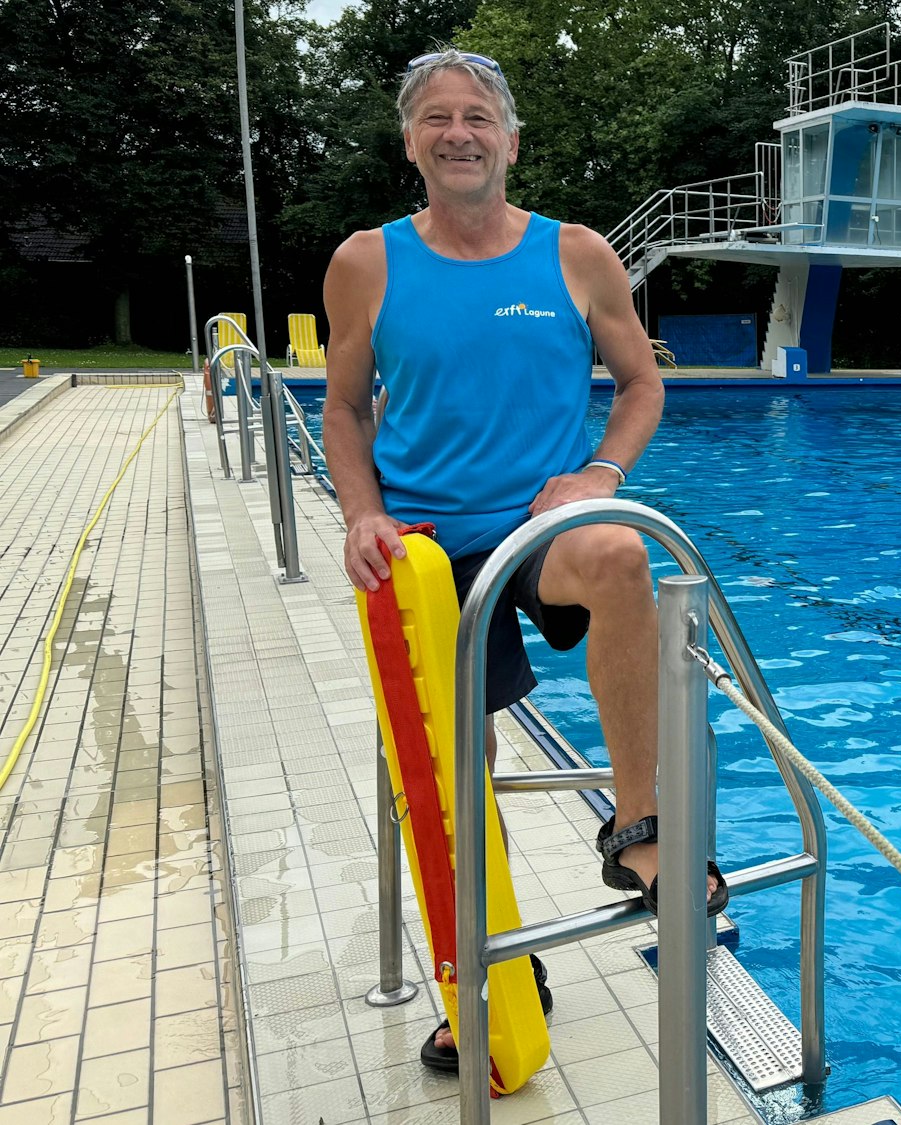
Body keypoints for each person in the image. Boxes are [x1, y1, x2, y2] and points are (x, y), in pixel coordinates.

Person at [321, 46, 724, 1072]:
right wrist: (361, 513)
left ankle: (637, 829)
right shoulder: (367, 261)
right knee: (462, 764)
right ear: (410, 140)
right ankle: (491, 968)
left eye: (477, 117)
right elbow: (342, 405)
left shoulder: (575, 254)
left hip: (538, 527)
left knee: (621, 553)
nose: (459, 133)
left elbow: (639, 385)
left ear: (509, 138)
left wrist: (597, 473)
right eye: (436, 118)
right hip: (422, 546)